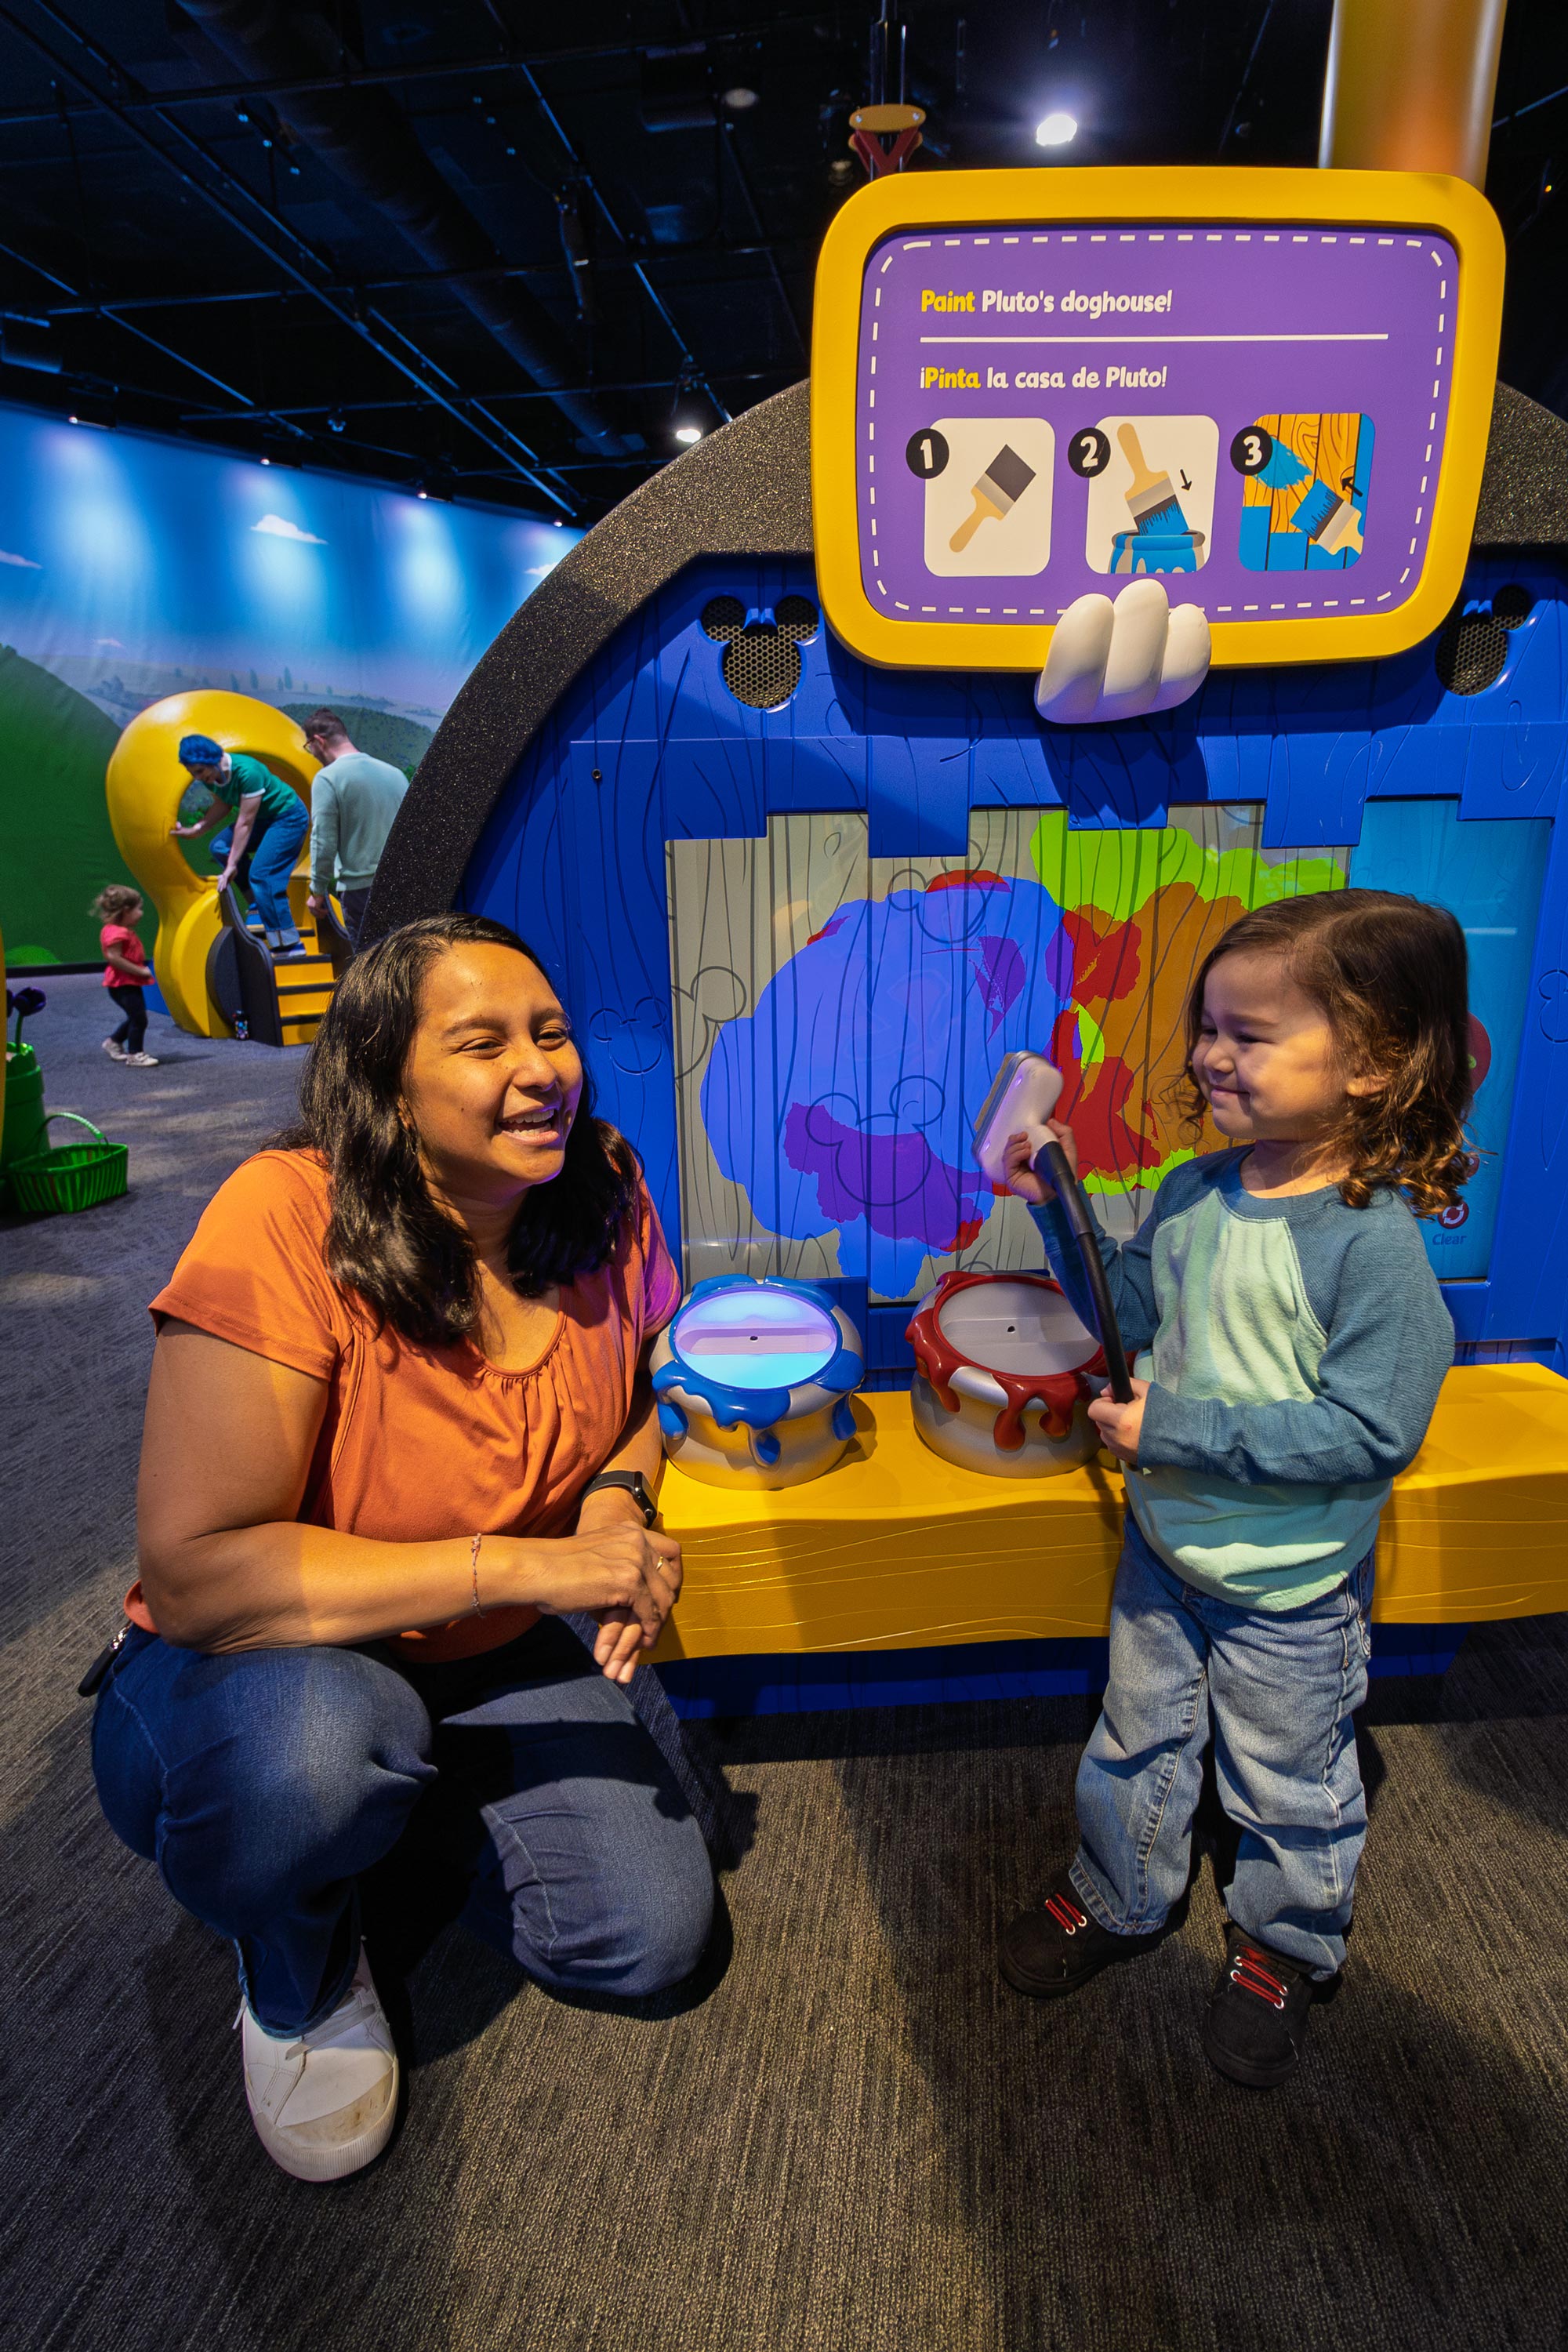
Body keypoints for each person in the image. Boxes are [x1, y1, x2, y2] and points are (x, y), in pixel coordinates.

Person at [90, 914, 713, 2182]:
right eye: (483, 1042)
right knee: (317, 1758)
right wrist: (534, 1566)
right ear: (383, 1083)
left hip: (477, 1652)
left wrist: (611, 1502)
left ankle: (378, 1813)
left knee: (646, 1942)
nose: (541, 1067)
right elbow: (203, 1574)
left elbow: (656, 1393)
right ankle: (295, 1959)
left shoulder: (600, 1181)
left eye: (550, 1033)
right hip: (261, 1665)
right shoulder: (284, 1213)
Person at [997, 890, 1468, 2089]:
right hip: (1167, 1549)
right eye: (1211, 1027)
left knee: (1289, 1778)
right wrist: (1059, 1211)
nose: (1210, 1055)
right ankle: (1121, 1887)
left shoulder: (1374, 1246)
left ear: (1369, 1066)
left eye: (1249, 1035)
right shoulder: (1199, 1192)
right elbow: (1137, 1312)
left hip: (1294, 1588)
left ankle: (1284, 1940)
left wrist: (1186, 1429)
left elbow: (1374, 1433)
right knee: (1135, 1737)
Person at [169, 732, 309, 960]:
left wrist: (231, 867)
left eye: (199, 772)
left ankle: (289, 944)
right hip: (263, 819)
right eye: (193, 773)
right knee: (219, 848)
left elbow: (245, 822)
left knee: (263, 874)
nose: (198, 778)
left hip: (287, 817)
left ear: (211, 760)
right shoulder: (214, 777)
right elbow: (223, 805)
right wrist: (196, 830)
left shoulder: (247, 772)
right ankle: (257, 902)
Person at [302, 708, 409, 950]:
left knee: (371, 971)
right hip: (401, 886)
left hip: (361, 891)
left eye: (310, 747)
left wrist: (318, 891)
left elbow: (323, 840)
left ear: (319, 741)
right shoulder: (395, 774)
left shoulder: (328, 778)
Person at [93, 884, 159, 1067]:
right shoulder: (117, 933)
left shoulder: (118, 930)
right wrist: (141, 971)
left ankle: (113, 1042)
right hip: (123, 985)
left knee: (135, 1016)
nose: (141, 913)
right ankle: (135, 1054)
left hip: (127, 982)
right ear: (126, 911)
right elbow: (114, 957)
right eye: (138, 909)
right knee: (139, 1018)